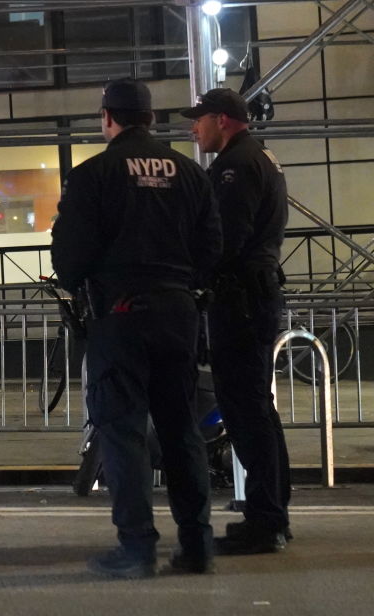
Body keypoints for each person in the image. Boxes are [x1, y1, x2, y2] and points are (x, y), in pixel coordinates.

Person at [51, 79, 222, 578]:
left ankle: (137, 547)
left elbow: (69, 260)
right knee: (181, 430)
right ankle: (196, 545)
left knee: (123, 430)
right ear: (149, 118)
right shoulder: (191, 174)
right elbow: (213, 247)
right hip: (178, 313)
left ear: (108, 118)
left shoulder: (93, 175)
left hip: (120, 316)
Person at [182, 88, 291, 554]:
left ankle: (266, 520)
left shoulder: (233, 166)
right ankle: (272, 512)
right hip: (256, 297)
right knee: (258, 411)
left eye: (200, 119)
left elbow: (223, 238)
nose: (194, 128)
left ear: (222, 120)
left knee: (246, 411)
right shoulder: (262, 157)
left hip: (240, 302)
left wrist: (192, 278)